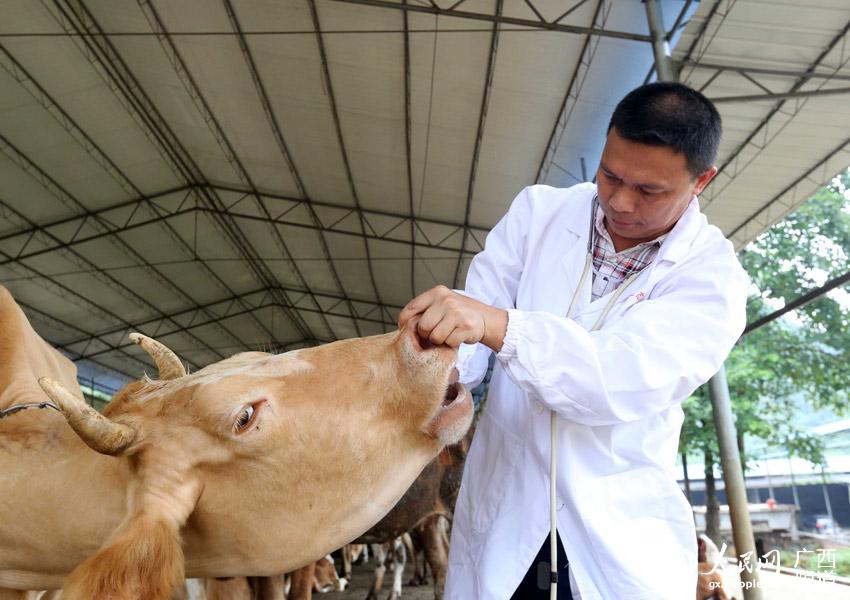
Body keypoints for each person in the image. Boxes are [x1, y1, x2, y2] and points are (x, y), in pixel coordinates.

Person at [397, 82, 748, 599]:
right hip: (507, 511)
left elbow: (619, 378)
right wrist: (435, 357)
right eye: (610, 174)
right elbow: (470, 335)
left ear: (701, 181)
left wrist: (500, 326)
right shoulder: (539, 214)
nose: (621, 201)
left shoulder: (712, 277)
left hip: (612, 525)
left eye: (649, 191)